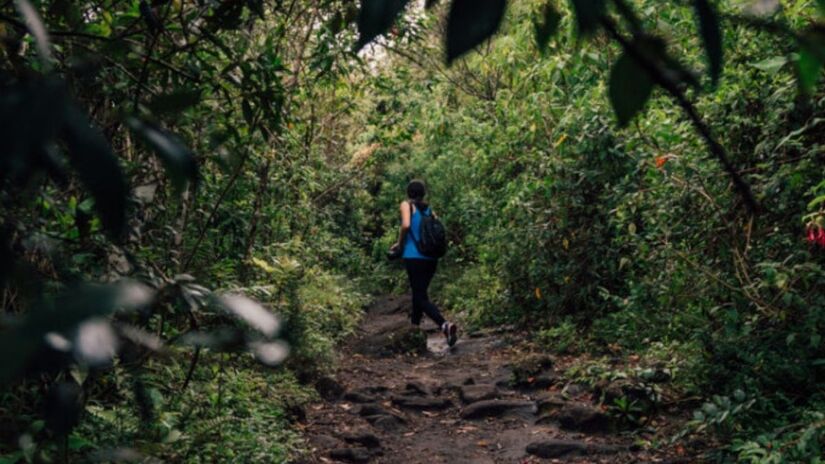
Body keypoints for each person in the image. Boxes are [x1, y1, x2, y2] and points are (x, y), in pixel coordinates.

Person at [389, 180, 458, 347]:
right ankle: (415, 328)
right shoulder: (428, 209)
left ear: (408, 193)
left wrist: (399, 244)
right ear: (423, 193)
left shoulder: (407, 205)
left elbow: (406, 225)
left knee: (420, 296)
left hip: (414, 256)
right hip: (431, 257)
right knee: (419, 293)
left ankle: (444, 325)